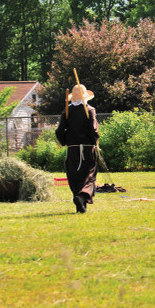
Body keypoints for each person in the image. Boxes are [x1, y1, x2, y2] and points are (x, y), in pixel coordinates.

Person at [55, 84, 99, 213]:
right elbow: (93, 128)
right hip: (87, 147)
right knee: (89, 174)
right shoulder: (89, 109)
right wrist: (95, 140)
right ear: (85, 96)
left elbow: (59, 130)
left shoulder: (68, 111)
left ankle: (80, 203)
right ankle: (81, 196)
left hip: (72, 148)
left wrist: (65, 142)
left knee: (74, 174)